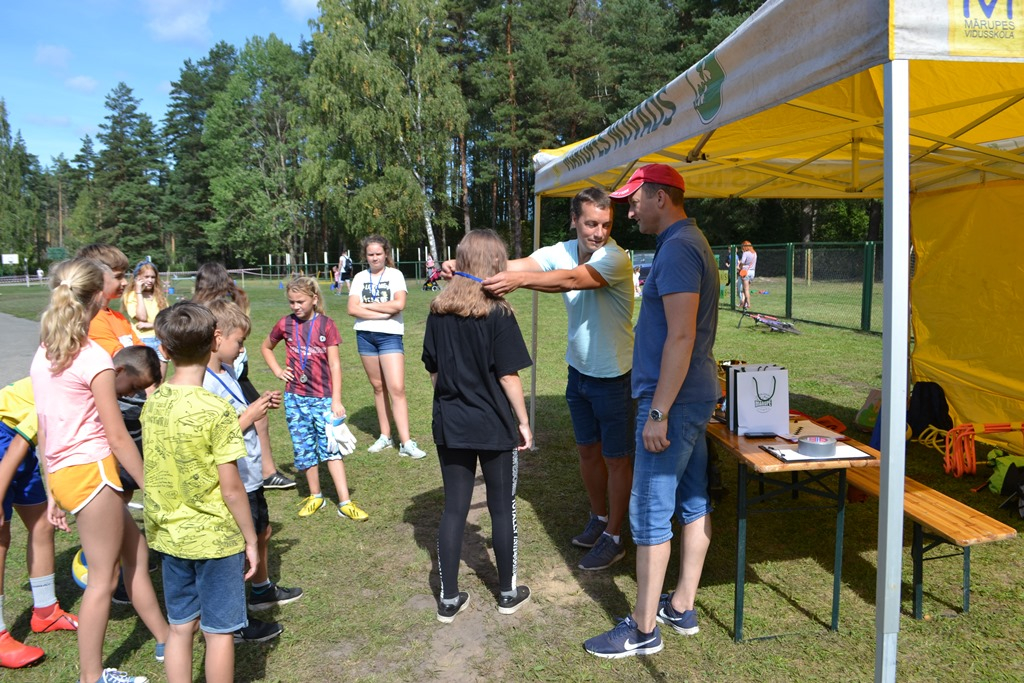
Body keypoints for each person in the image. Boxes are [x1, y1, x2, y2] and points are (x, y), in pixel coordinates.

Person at [582, 164, 720, 658]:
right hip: (690, 394)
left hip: (673, 400)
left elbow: (681, 335)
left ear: (661, 197)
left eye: (634, 199)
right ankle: (680, 606)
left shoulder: (680, 247)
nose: (628, 208)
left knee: (649, 510)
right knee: (694, 499)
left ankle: (643, 628)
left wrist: (658, 411)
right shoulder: (687, 242)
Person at [477, 188, 635, 572]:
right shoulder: (562, 249)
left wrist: (520, 283)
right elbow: (519, 263)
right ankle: (599, 519)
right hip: (578, 372)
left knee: (617, 460)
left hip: (615, 375)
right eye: (591, 223)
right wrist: (467, 264)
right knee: (587, 452)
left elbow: (569, 280)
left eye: (605, 224)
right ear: (575, 221)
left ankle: (615, 536)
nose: (598, 232)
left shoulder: (614, 258)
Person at [30, 257, 169, 683]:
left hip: (69, 474)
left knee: (136, 554)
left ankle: (167, 639)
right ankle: (92, 677)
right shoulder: (92, 357)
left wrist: (53, 487)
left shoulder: (46, 351)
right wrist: (152, 486)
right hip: (93, 474)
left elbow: (45, 424)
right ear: (96, 298)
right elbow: (117, 437)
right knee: (103, 581)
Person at [140, 302, 258, 683]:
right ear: (214, 341)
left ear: (164, 349)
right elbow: (232, 488)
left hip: (169, 536)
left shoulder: (152, 402)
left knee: (180, 627)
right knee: (218, 633)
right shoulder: (217, 410)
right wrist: (251, 539)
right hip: (216, 540)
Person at [422, 230, 533, 623]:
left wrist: (451, 400)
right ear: (494, 265)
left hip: (451, 423)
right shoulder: (499, 313)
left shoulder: (438, 310)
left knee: (454, 509)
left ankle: (448, 599)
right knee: (502, 509)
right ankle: (507, 592)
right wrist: (524, 421)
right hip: (494, 424)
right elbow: (509, 376)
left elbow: (434, 372)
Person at [202, 299, 300, 643]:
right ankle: (234, 620)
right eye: (239, 342)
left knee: (263, 530)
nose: (243, 349)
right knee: (237, 549)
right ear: (217, 338)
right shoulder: (205, 383)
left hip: (250, 472)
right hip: (235, 478)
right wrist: (251, 415)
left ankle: (261, 589)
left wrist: (258, 406)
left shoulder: (227, 372)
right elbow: (218, 433)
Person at [262, 276, 369, 521]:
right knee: (304, 449)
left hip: (323, 399)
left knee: (332, 449)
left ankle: (345, 501)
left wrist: (336, 400)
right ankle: (316, 496)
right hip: (295, 399)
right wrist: (278, 370)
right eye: (291, 302)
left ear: (314, 299)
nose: (296, 306)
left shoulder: (327, 325)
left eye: (300, 301)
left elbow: (335, 364)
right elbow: (266, 347)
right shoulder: (285, 324)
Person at [193, 262, 296, 491]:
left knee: (256, 413)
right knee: (250, 416)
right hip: (229, 372)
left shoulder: (227, 306)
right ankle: (263, 472)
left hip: (233, 370)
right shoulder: (206, 379)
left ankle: (264, 471)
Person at [0, 378, 79, 670]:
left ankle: (46, 613)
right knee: (1, 536)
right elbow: (23, 439)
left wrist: (53, 495)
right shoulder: (65, 389)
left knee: (42, 524)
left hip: (19, 440)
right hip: (6, 438)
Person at [347, 235, 426, 459]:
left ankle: (407, 442)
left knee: (397, 388)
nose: (374, 258)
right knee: (378, 387)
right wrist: (384, 309)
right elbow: (352, 309)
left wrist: (368, 307)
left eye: (378, 254)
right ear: (365, 256)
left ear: (386, 254)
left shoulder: (395, 275)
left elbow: (399, 305)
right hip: (365, 336)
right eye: (370, 254)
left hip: (390, 336)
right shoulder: (360, 277)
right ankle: (385, 435)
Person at [75, 244, 141, 357]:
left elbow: (142, 352)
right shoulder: (90, 320)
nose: (125, 282)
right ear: (95, 278)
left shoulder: (119, 318)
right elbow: (123, 360)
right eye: (118, 277)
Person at [737, 240, 757, 310]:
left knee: (746, 289)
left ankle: (748, 304)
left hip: (745, 272)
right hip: (752, 272)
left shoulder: (745, 253)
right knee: (746, 289)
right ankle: (744, 303)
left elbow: (742, 262)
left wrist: (739, 267)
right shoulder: (754, 253)